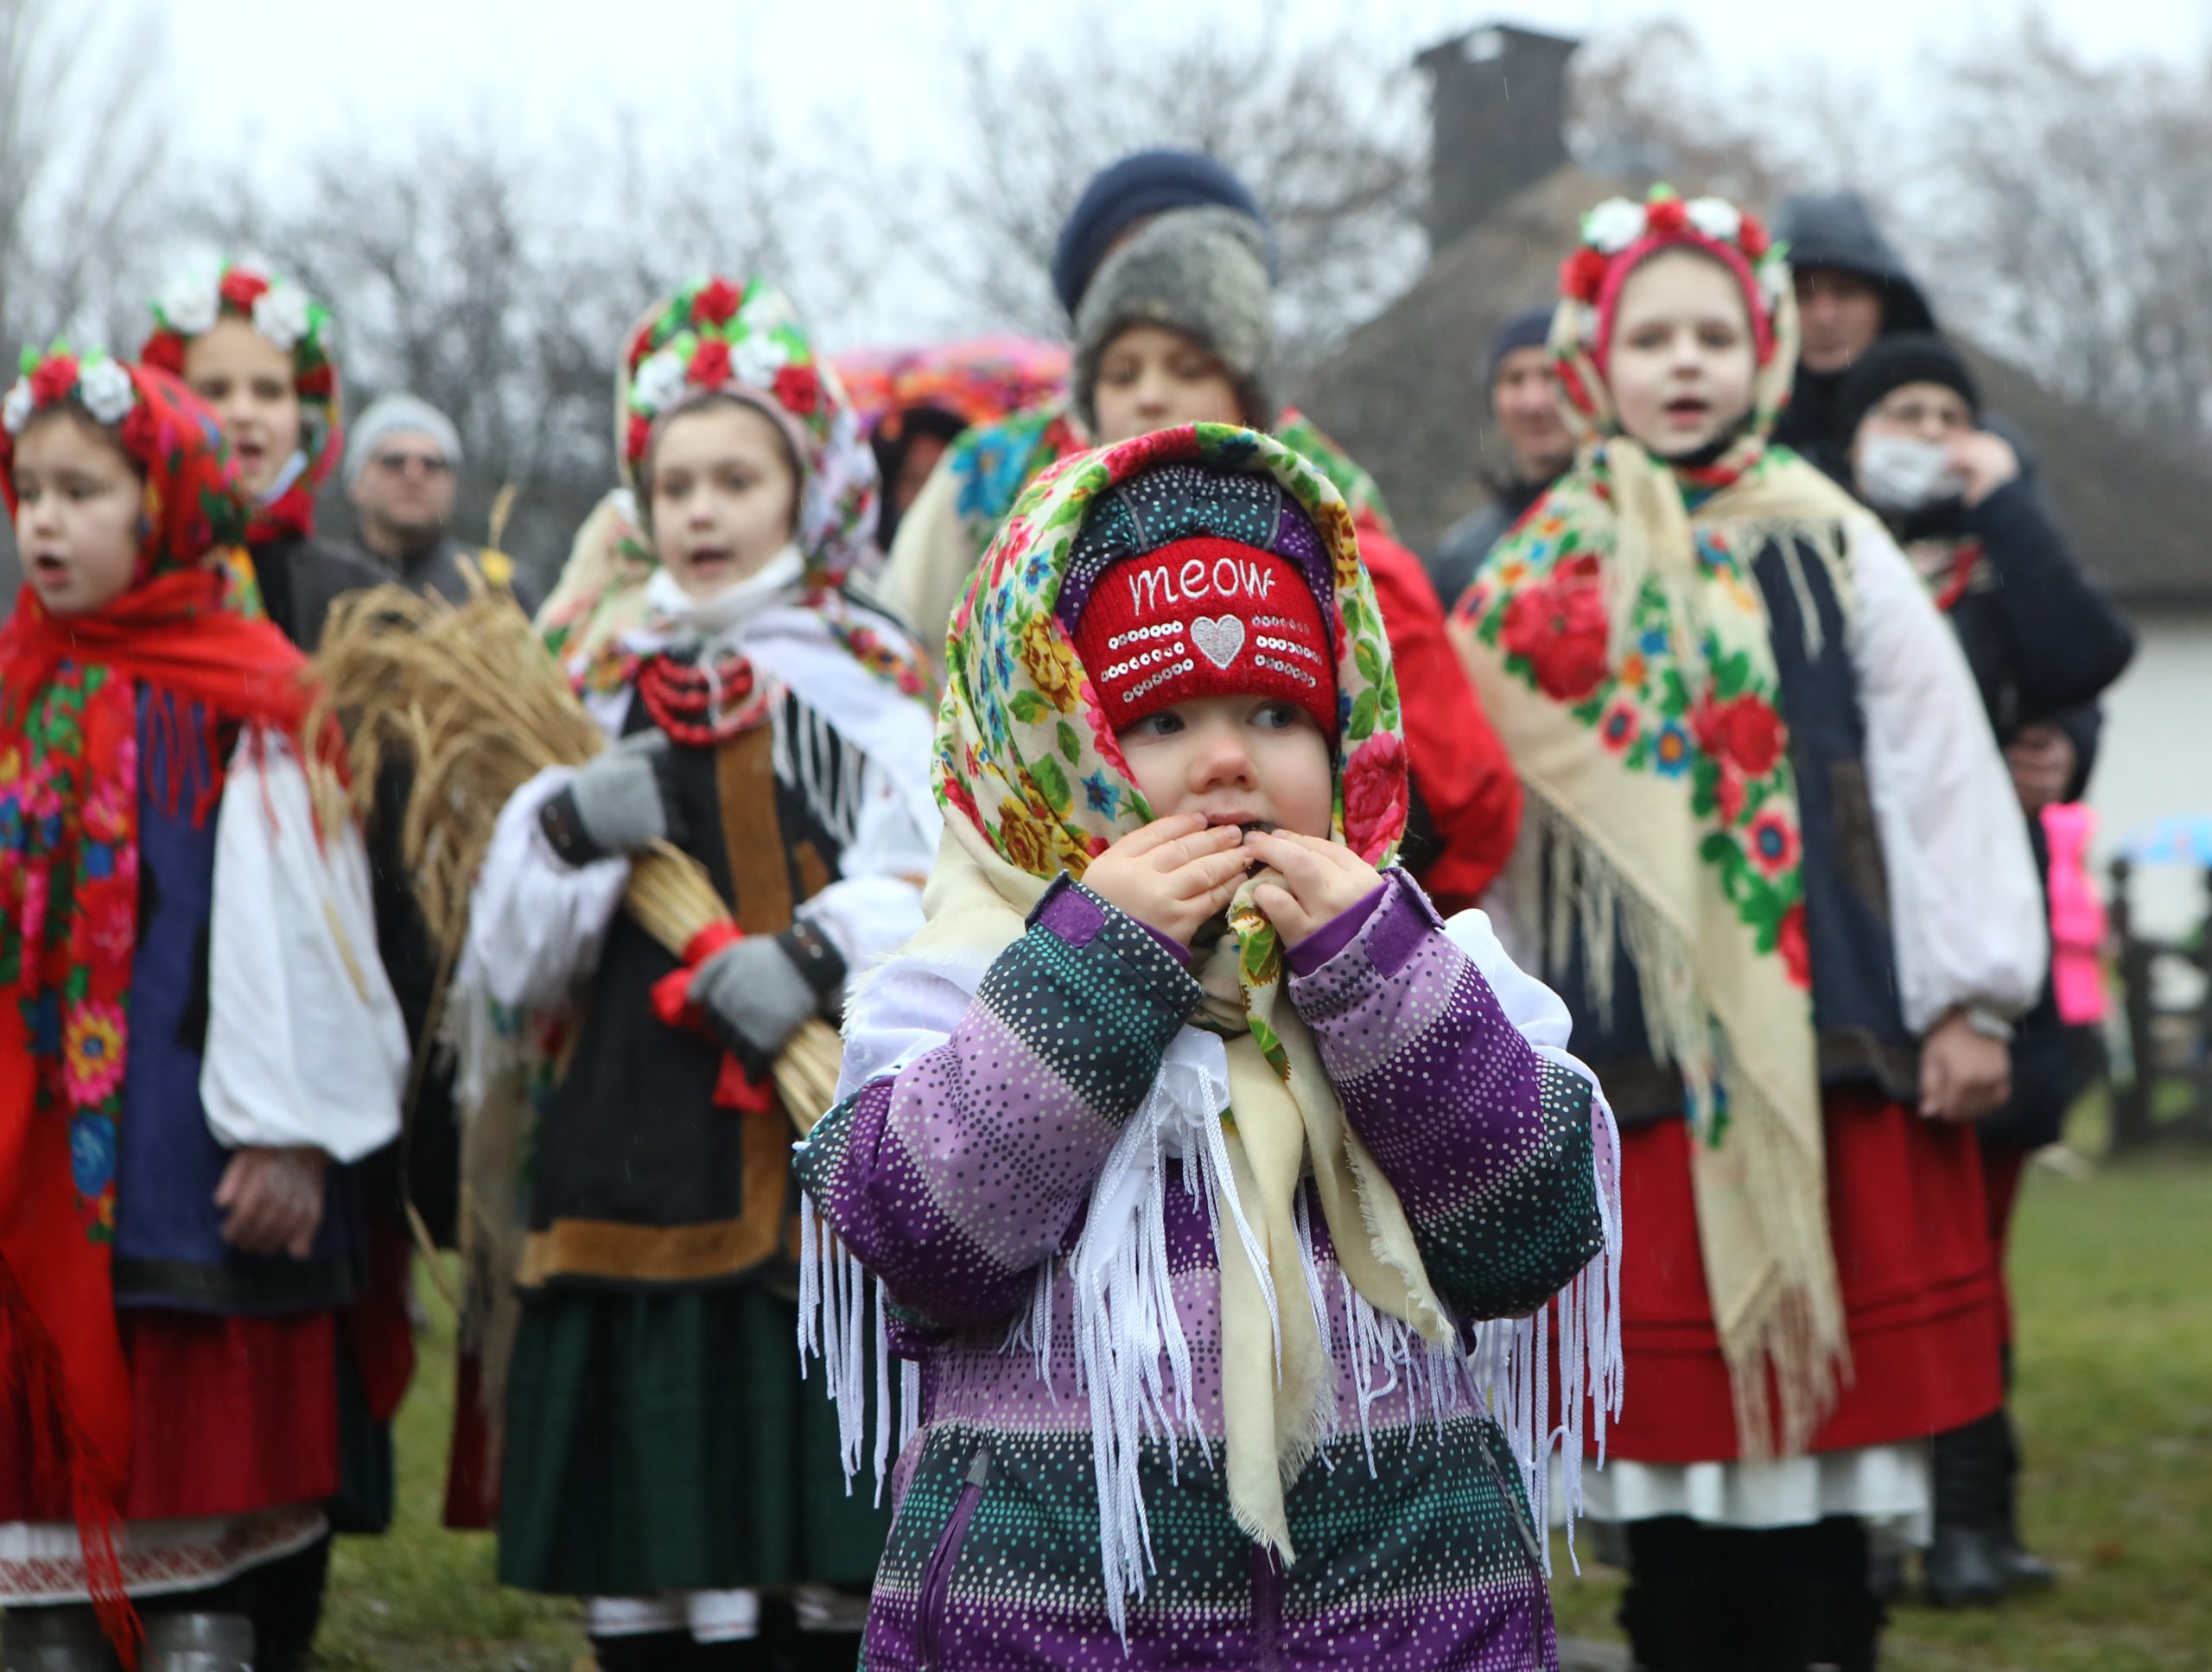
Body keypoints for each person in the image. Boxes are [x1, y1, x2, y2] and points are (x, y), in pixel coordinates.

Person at [794, 425, 1621, 1671]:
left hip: (1416, 1620)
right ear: (1052, 744)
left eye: (1280, 711)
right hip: (1046, 1630)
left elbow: (1532, 1225)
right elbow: (928, 1237)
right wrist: (1096, 965)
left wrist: (1374, 976)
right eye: (1163, 717)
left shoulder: (1426, 964)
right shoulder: (969, 975)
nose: (1229, 759)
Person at [1451, 188, 2048, 1670]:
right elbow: (1488, 827)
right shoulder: (1535, 580)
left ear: (1767, 347)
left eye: (1716, 330)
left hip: (1823, 1043)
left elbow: (1934, 769)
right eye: (1650, 333)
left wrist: (1972, 995)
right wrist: (1487, 1040)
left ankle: (1837, 1641)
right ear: (1595, 358)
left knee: (1821, 1456)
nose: (1685, 361)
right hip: (1633, 1066)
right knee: (1675, 1471)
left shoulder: (1832, 540)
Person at [454, 274, 938, 1672]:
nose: (705, 513)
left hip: (825, 1178)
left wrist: (818, 949)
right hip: (633, 1168)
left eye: (740, 477)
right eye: (675, 484)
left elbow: (951, 889)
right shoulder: (587, 684)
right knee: (668, 1585)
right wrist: (562, 831)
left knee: (823, 1564)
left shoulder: (870, 676)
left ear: (809, 487)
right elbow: (511, 968)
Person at [0, 348, 405, 1672]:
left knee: (204, 1596)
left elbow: (319, 941)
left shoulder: (256, 694)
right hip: (35, 1181)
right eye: (28, 489)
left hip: (198, 1189)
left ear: (162, 500)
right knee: (37, 1584)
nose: (44, 520)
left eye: (82, 489)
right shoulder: (19, 682)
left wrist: (295, 1133)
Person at [882, 151, 1522, 914]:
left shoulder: (1324, 510)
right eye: (1124, 372)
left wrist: (1383, 930)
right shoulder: (994, 476)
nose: (1153, 395)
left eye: (1188, 364)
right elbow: (906, 659)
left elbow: (1423, 751)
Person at [1837, 334, 2134, 1605]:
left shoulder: (1997, 571)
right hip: (1851, 943)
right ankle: (1868, 1520)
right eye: (1903, 409)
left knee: (1971, 1245)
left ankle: (1972, 1518)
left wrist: (2007, 496)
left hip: (1980, 945)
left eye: (1948, 411)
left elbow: (2087, 657)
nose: (1927, 428)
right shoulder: (1821, 556)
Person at [143, 259, 384, 650]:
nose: (243, 413)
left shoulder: (362, 600)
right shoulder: (116, 586)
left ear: (305, 415)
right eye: (215, 390)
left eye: (269, 391)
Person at [1426, 306, 1577, 607]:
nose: (1534, 402)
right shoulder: (1462, 557)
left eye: (1551, 375)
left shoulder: (1641, 518)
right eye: (1515, 379)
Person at [344, 392, 532, 607]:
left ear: (452, 484)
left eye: (432, 464)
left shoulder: (500, 591)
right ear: (356, 482)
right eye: (394, 462)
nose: (414, 475)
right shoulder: (315, 585)